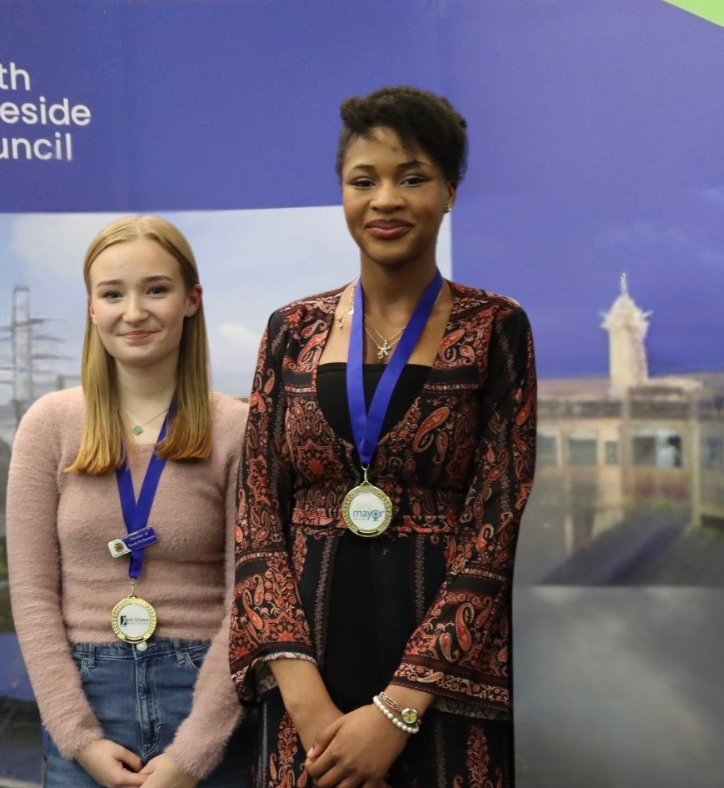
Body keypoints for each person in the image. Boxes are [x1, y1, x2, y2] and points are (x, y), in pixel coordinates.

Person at [231, 87, 536, 788]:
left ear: (451, 192)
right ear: (342, 193)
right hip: (308, 677)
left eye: (413, 177)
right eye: (363, 181)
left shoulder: (496, 329)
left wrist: (397, 710)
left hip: (442, 684)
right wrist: (302, 695)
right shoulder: (292, 329)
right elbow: (254, 514)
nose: (386, 200)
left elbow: (497, 524)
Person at [7, 215, 251, 788]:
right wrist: (79, 739)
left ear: (192, 300)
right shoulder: (49, 425)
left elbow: (251, 599)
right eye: (112, 293)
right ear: (92, 308)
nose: (133, 312)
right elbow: (32, 594)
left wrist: (194, 753)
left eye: (156, 289)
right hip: (86, 705)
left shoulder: (239, 429)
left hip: (209, 704)